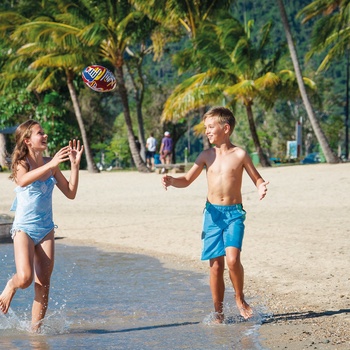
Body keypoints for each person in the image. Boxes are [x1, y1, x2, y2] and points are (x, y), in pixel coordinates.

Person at [161, 106, 269, 322]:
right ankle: (218, 312)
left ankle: (239, 298)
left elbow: (256, 177)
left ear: (226, 128)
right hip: (212, 214)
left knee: (232, 259)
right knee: (216, 266)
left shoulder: (240, 154)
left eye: (211, 127)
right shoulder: (205, 156)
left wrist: (260, 186)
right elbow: (187, 180)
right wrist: (173, 181)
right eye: (206, 127)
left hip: (234, 214)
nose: (207, 131)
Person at [0, 119, 84, 332]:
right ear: (27, 140)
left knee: (43, 283)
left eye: (44, 132)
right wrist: (52, 164)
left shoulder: (51, 165)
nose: (45, 136)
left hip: (46, 229)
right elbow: (23, 180)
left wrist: (74, 166)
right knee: (26, 278)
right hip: (24, 229)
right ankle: (11, 285)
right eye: (40, 133)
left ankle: (35, 332)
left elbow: (71, 193)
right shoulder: (22, 163)